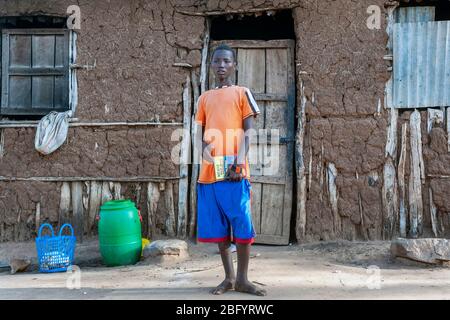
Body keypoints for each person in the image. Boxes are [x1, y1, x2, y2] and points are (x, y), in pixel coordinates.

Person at [194, 43, 266, 296]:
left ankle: (244, 279)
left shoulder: (242, 93)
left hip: (235, 169)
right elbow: (202, 135)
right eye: (217, 61)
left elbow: (248, 132)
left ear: (234, 65)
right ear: (211, 65)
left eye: (226, 61)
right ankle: (229, 278)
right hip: (210, 172)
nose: (221, 65)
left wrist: (238, 162)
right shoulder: (204, 98)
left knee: (242, 224)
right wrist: (205, 157)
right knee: (219, 229)